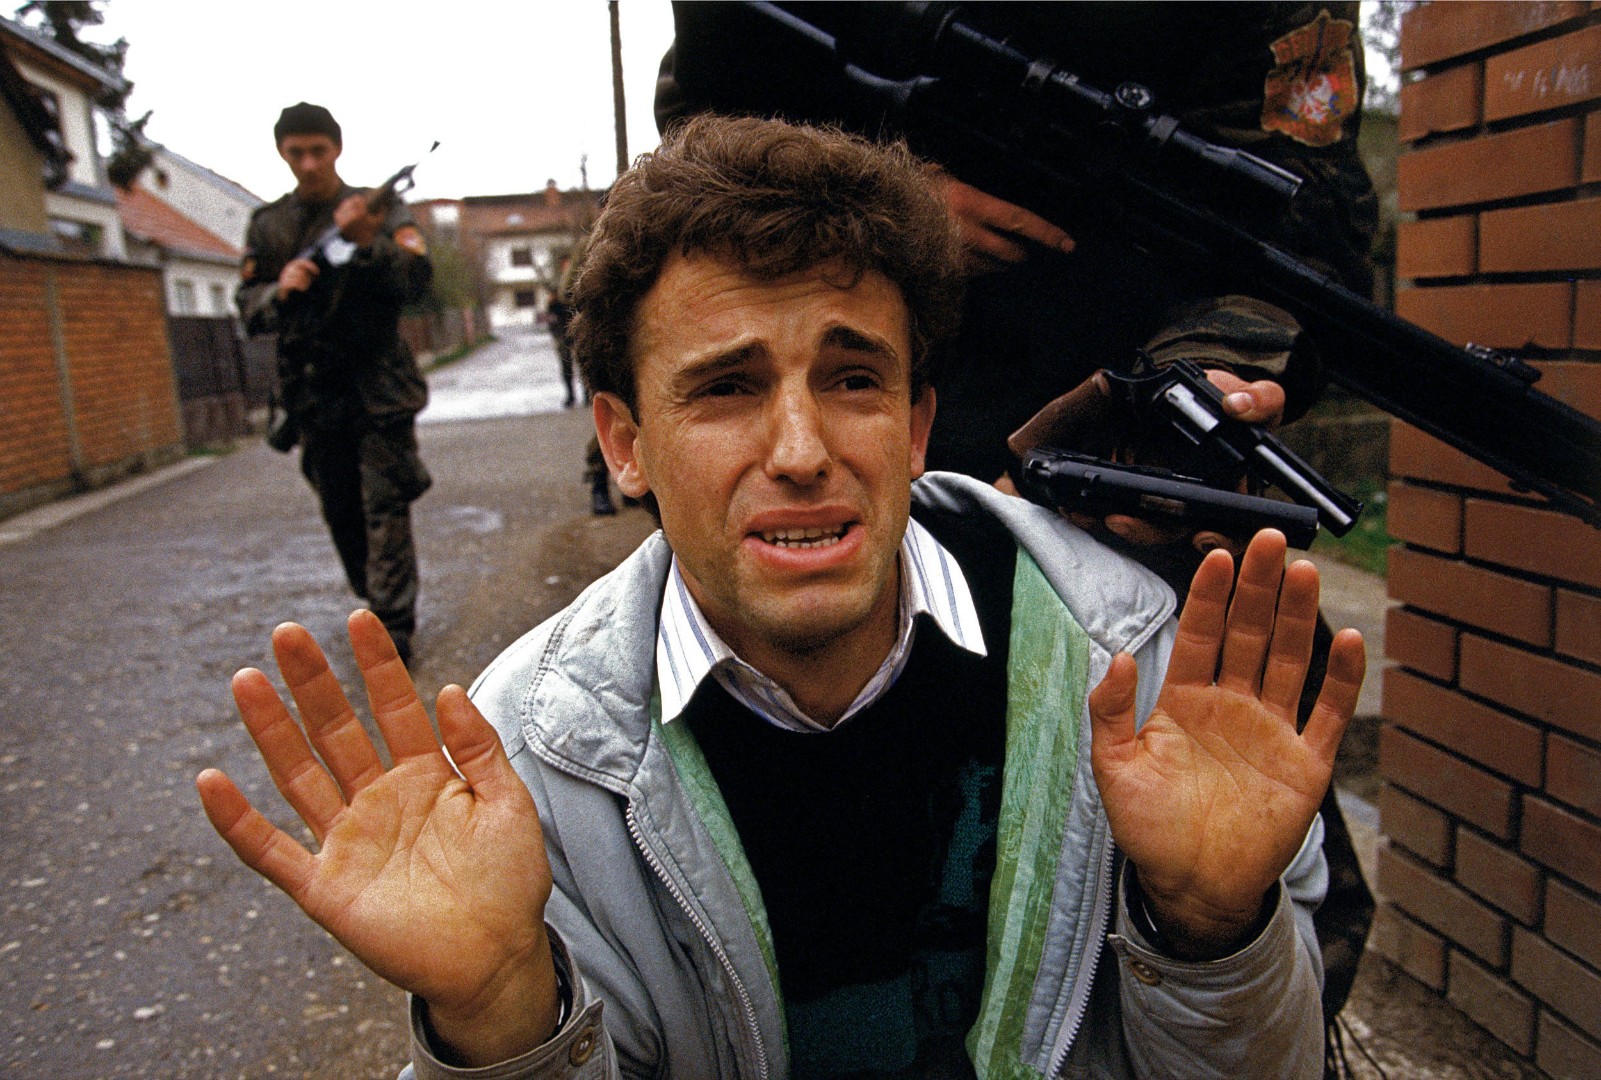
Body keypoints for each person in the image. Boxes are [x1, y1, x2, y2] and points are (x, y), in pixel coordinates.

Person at [198, 116, 1365, 1079]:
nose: (801, 451)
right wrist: (502, 1018)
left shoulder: (1135, 662)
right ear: (625, 443)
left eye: (852, 379)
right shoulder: (526, 764)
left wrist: (1212, 935)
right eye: (724, 389)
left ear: (916, 424)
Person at [655, 3, 1380, 1027]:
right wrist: (878, 209)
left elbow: (1307, 218)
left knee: (1238, 879)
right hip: (871, 475)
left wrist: (1202, 376)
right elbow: (699, 145)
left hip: (1149, 482)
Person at [237, 102, 435, 665]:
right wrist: (279, 289)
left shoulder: (379, 207)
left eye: (317, 151)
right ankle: (374, 599)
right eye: (296, 152)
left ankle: (392, 628)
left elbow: (418, 283)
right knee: (342, 513)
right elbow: (247, 307)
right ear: (282, 153)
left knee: (384, 506)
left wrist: (370, 241)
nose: (308, 163)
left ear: (337, 149)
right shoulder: (269, 226)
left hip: (377, 389)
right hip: (313, 395)